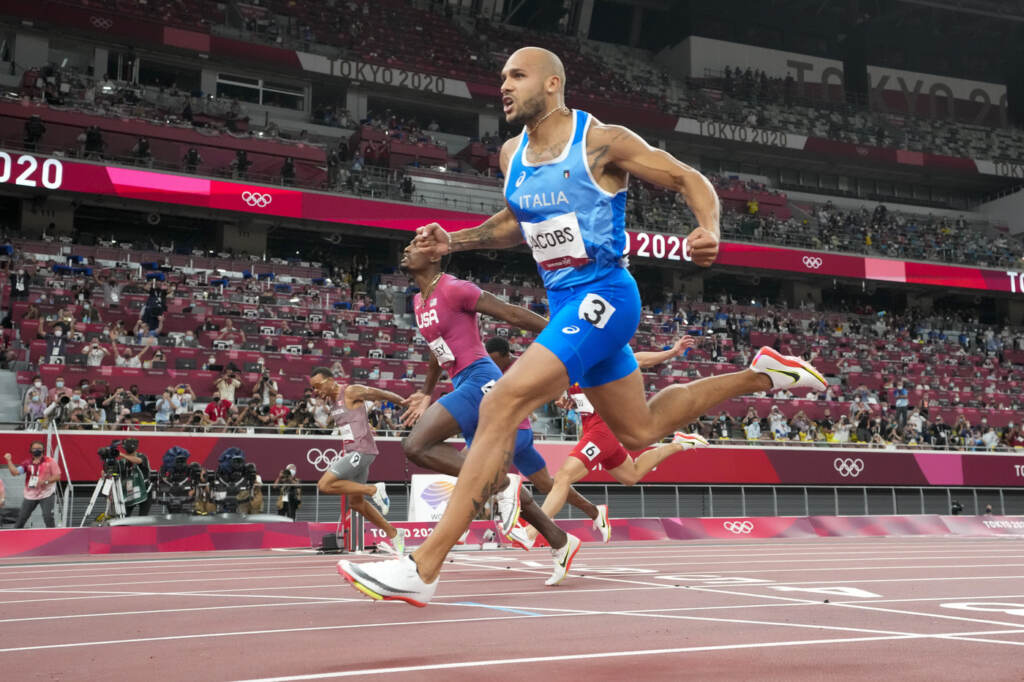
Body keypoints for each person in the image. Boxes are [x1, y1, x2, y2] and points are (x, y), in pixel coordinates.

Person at [338, 46, 827, 607]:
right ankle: (761, 377)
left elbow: (689, 179)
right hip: (567, 300)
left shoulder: (602, 141)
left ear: (551, 85)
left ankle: (425, 566)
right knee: (641, 431)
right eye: (502, 77)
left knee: (501, 404)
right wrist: (458, 240)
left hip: (606, 295)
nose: (504, 85)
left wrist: (707, 227)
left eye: (516, 76)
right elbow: (515, 223)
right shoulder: (510, 155)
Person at [391, 242, 583, 585]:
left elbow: (510, 313)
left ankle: (500, 482)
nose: (406, 250)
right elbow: (438, 350)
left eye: (415, 246)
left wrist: (565, 335)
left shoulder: (455, 288)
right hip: (462, 382)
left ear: (434, 256)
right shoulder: (419, 301)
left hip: (482, 379)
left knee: (416, 445)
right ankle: (560, 540)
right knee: (483, 479)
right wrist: (425, 390)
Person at [510, 336, 709, 548]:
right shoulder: (573, 367)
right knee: (630, 475)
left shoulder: (602, 359)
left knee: (563, 477)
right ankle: (677, 443)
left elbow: (640, 359)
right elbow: (575, 398)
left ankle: (532, 532)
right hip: (593, 429)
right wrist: (567, 401)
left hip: (604, 429)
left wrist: (672, 352)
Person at [483, 335, 607, 541]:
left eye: (496, 359)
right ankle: (594, 512)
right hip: (517, 433)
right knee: (548, 485)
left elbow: (552, 378)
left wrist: (560, 395)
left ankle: (465, 528)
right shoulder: (490, 370)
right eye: (490, 359)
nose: (492, 363)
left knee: (476, 467)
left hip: (513, 432)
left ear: (507, 356)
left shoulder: (522, 367)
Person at [310, 366, 408, 555]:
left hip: (361, 452)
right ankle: (394, 533)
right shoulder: (332, 402)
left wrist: (405, 403)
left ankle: (373, 489)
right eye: (313, 388)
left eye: (317, 386)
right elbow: (354, 420)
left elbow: (381, 393)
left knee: (324, 485)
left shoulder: (350, 391)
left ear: (330, 380)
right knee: (355, 503)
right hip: (355, 452)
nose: (316, 391)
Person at [4, 442, 61, 528]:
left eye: (39, 448)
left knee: (48, 517)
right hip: (30, 495)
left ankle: (53, 537)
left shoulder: (50, 461)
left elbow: (57, 476)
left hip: (47, 494)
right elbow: (15, 472)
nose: (37, 450)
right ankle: (15, 537)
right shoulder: (27, 463)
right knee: (22, 518)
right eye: (34, 448)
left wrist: (45, 481)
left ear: (43, 450)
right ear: (31, 450)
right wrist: (9, 460)